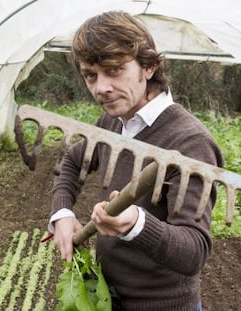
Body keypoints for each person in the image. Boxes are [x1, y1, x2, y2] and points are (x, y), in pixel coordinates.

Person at [48, 11, 223, 311]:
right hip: (108, 297)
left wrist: (137, 223)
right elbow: (72, 162)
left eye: (114, 70)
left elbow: (194, 251)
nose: (101, 87)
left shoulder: (191, 143)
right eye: (91, 75)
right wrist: (62, 213)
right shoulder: (113, 122)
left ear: (149, 67)